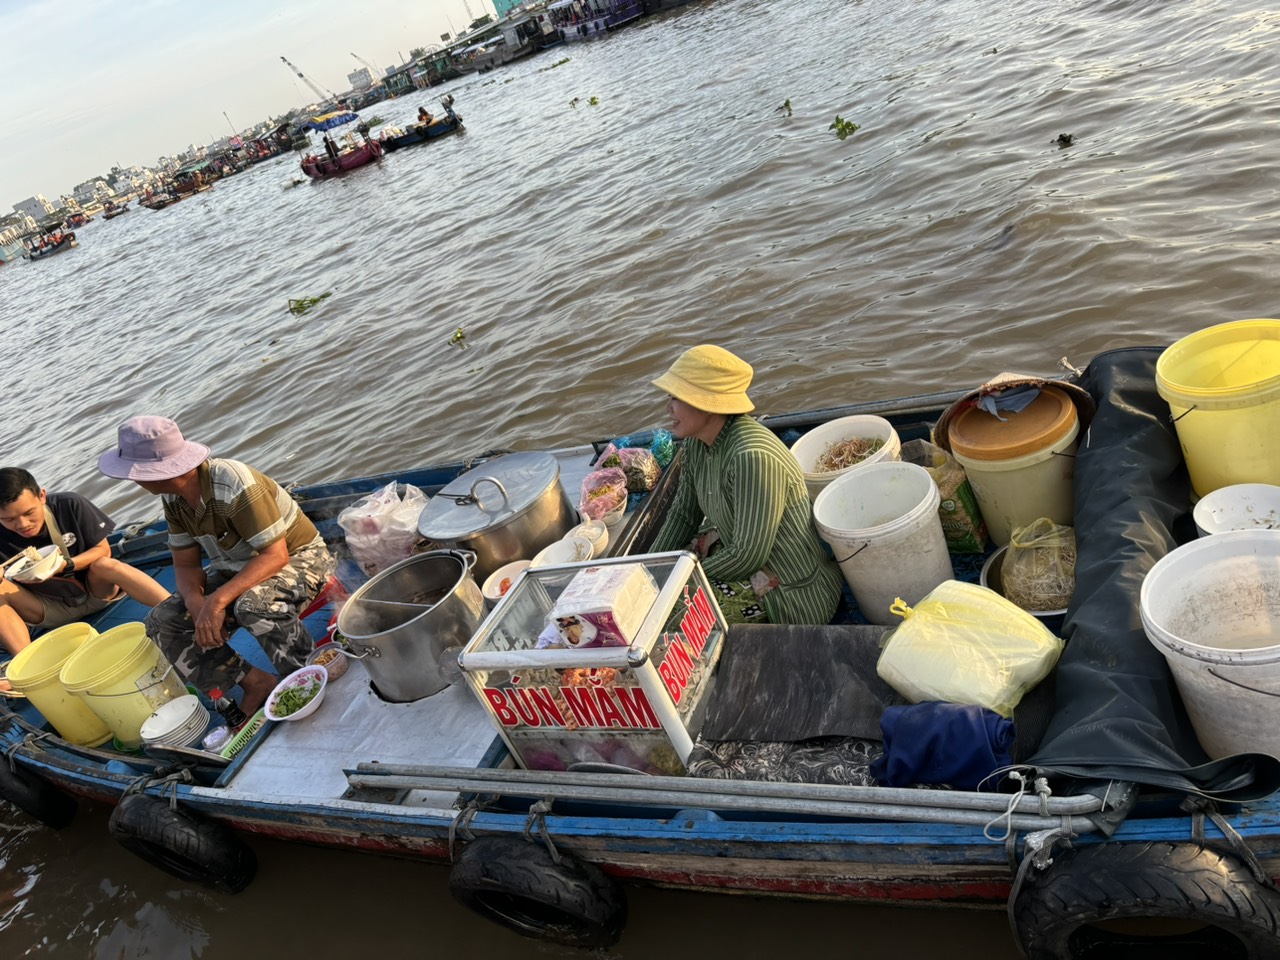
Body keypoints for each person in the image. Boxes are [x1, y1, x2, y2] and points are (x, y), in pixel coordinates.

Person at [98, 416, 336, 714]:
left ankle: (307, 674)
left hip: (302, 556)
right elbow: (185, 565)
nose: (133, 480)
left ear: (152, 472)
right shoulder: (174, 499)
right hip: (234, 568)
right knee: (162, 622)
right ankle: (255, 682)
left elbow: (276, 556)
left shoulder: (234, 483)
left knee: (253, 606)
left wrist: (217, 603)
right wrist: (197, 602)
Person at [648, 345, 844, 626]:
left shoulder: (751, 458)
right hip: (741, 554)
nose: (668, 407)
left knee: (670, 617)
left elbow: (746, 556)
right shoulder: (696, 444)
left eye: (677, 398)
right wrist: (650, 571)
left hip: (787, 590)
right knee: (655, 590)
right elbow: (683, 514)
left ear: (708, 403)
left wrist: (677, 583)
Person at [0, 468, 170, 656]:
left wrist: (66, 565)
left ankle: (174, 610)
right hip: (49, 608)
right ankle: (25, 665)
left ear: (41, 496)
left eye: (29, 512)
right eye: (8, 520)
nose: (23, 524)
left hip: (97, 592)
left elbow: (103, 550)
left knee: (106, 564)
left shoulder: (69, 504)